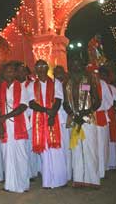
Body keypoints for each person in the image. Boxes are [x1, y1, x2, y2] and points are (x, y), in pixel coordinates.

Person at [28, 59, 67, 188]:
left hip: (53, 118)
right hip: (39, 119)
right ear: (35, 69)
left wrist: (52, 114)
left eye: (43, 66)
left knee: (56, 149)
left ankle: (60, 180)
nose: (41, 68)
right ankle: (47, 181)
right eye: (38, 66)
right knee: (44, 150)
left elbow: (58, 99)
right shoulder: (31, 85)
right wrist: (46, 111)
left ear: (47, 68)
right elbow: (32, 103)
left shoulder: (56, 83)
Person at [63, 58, 101, 187]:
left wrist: (87, 112)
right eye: (73, 65)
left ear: (82, 66)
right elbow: (65, 103)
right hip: (74, 120)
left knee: (90, 149)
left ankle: (93, 180)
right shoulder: (67, 82)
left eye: (78, 64)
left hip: (87, 120)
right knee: (76, 150)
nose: (75, 67)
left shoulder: (89, 80)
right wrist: (73, 114)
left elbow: (97, 100)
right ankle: (78, 179)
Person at [0, 61, 30, 193]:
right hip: (4, 125)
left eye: (11, 71)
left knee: (20, 154)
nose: (9, 73)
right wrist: (0, 121)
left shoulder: (21, 87)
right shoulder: (1, 87)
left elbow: (23, 106)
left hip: (18, 123)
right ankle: (10, 184)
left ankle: (22, 185)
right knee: (7, 154)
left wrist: (5, 116)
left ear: (15, 73)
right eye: (6, 71)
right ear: (3, 74)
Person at [53, 65, 72, 181]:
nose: (59, 75)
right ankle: (61, 172)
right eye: (56, 73)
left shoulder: (70, 83)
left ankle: (69, 173)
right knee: (60, 147)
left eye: (61, 72)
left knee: (68, 146)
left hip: (68, 118)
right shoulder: (53, 84)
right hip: (57, 119)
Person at [96, 66, 114, 178]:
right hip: (89, 118)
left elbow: (110, 101)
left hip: (101, 116)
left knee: (102, 144)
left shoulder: (103, 84)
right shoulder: (86, 84)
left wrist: (100, 108)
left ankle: (102, 170)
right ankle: (95, 169)